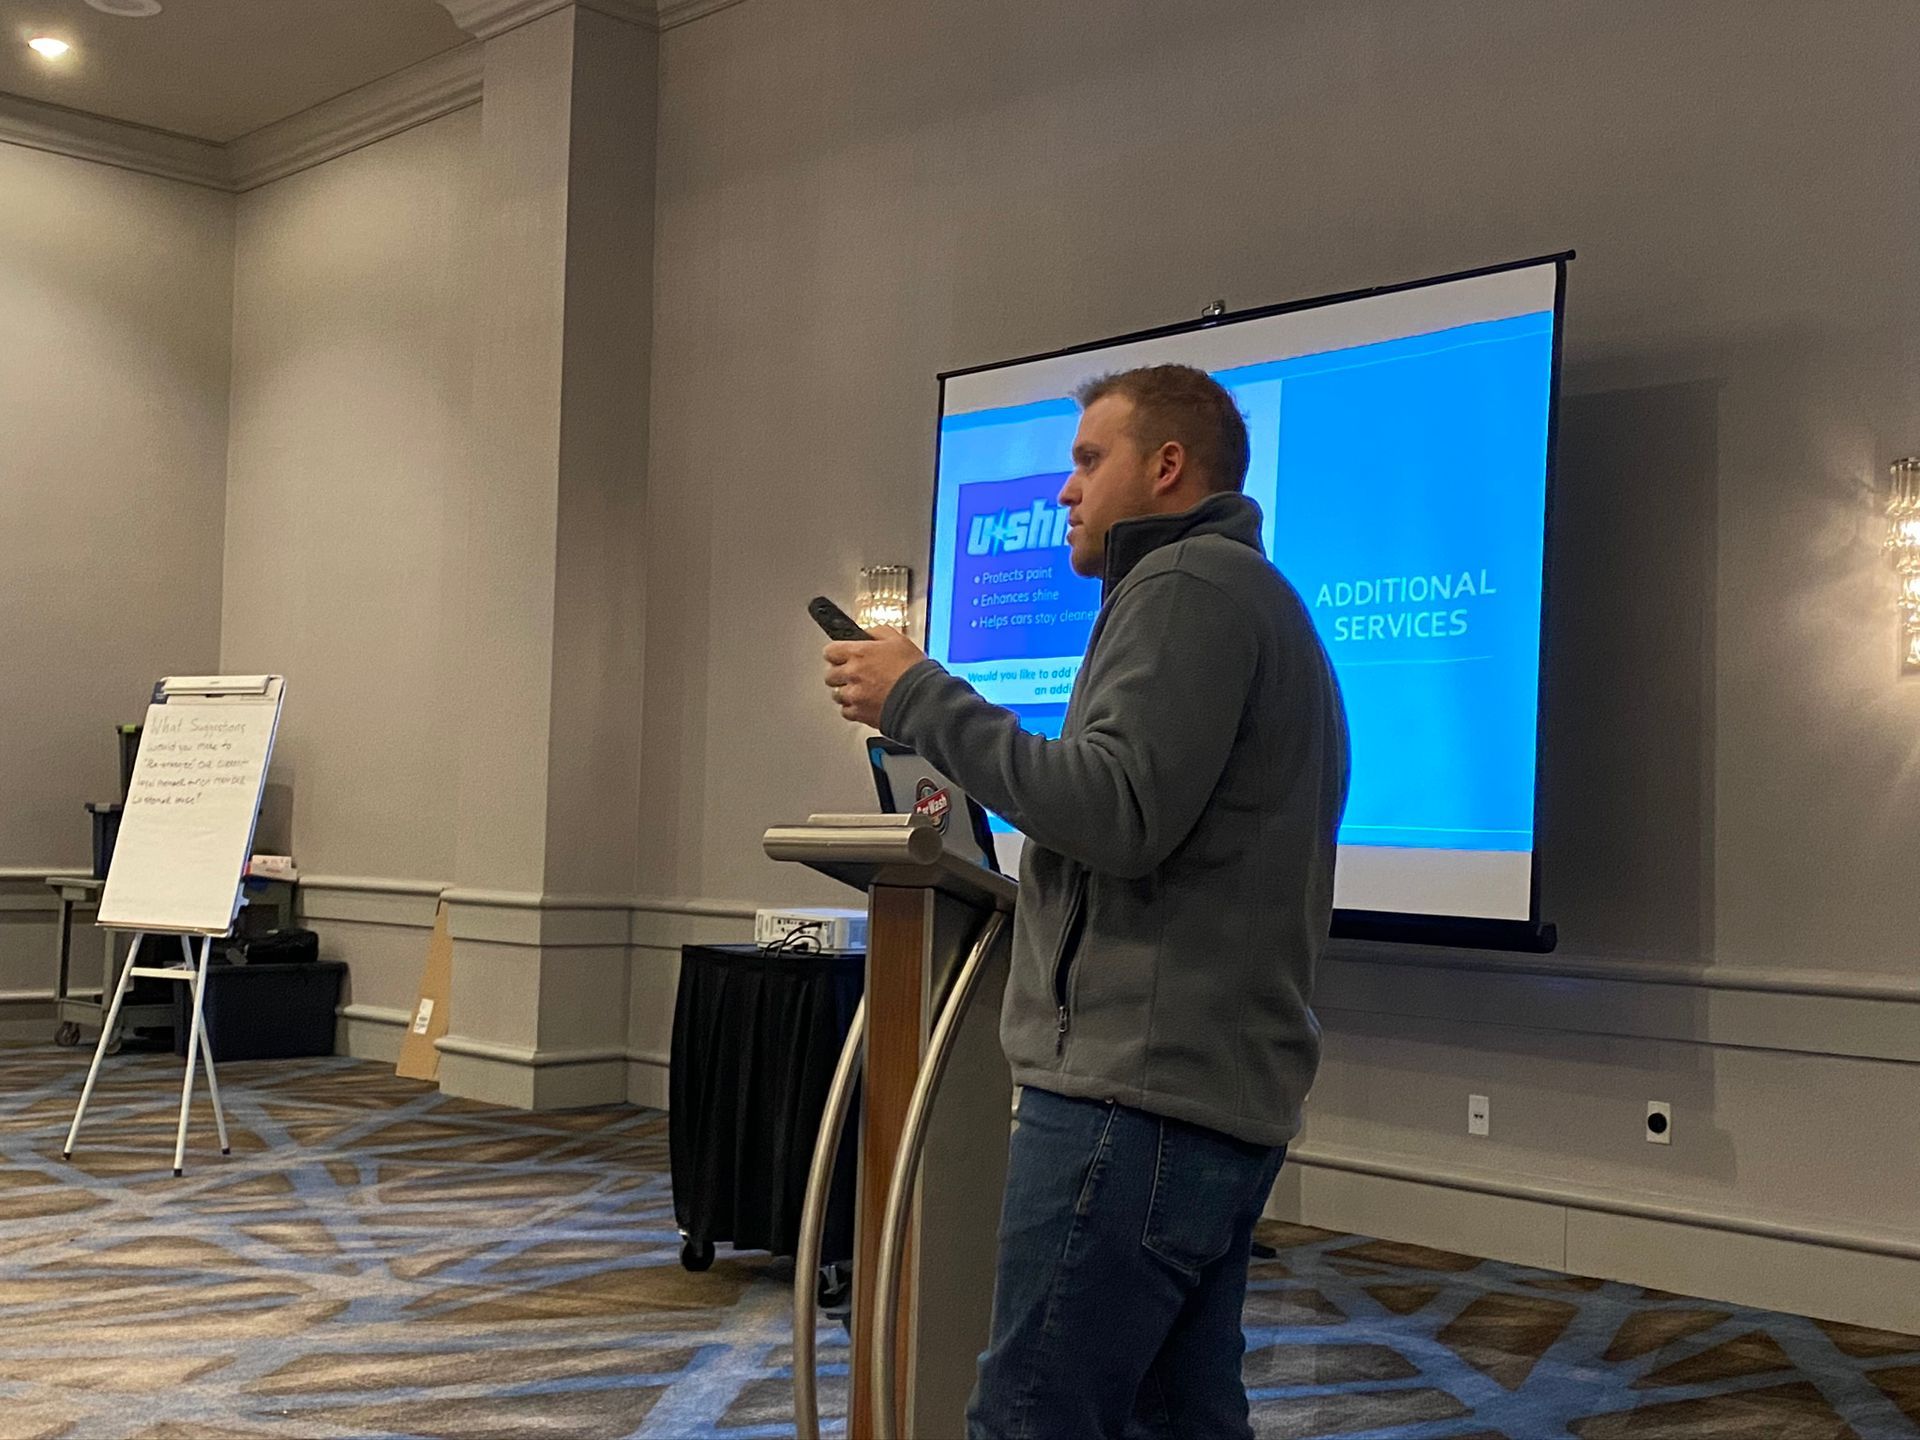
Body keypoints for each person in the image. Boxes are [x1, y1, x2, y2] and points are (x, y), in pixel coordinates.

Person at [822, 363, 1350, 1440]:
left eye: (1086, 460)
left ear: (1167, 468)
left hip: (1134, 1103)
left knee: (1033, 1417)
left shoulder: (1186, 589)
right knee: (1176, 1418)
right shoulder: (1234, 594)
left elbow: (1112, 812)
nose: (1063, 491)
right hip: (1192, 1097)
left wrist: (921, 696)